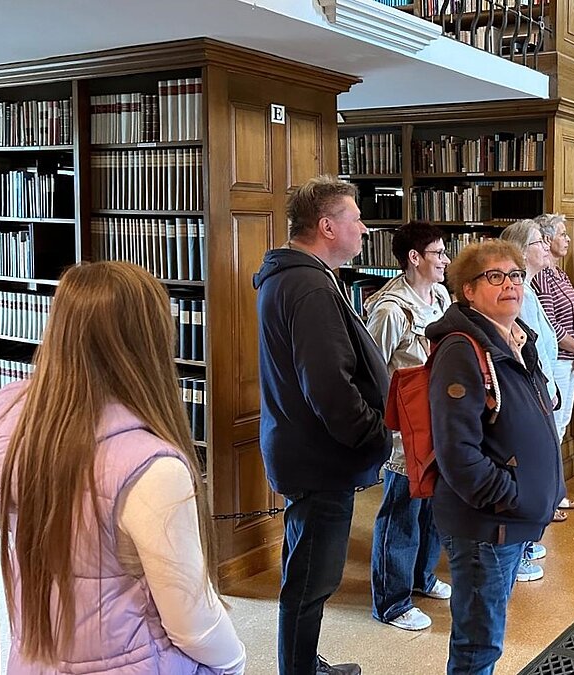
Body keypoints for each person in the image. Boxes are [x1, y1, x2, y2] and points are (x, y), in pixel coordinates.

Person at [0, 261, 246, 673]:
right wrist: (236, 661)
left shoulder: (15, 417)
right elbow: (193, 623)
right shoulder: (152, 469)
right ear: (150, 339)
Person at [254, 175, 391, 675]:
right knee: (311, 581)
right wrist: (376, 436)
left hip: (309, 451)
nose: (364, 229)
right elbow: (328, 388)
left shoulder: (298, 276)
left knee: (306, 572)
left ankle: (304, 663)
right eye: (356, 220)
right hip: (320, 458)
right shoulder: (307, 285)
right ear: (328, 226)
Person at [426, 239, 564, 675]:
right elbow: (457, 452)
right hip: (487, 524)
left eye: (517, 276)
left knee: (488, 634)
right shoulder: (461, 350)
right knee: (478, 644)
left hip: (510, 519)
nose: (511, 285)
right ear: (468, 290)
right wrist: (512, 497)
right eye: (496, 276)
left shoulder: (517, 338)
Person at [362, 222, 453, 632]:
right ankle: (391, 600)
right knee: (401, 513)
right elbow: (372, 373)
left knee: (432, 508)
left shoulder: (442, 296)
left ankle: (422, 576)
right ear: (414, 257)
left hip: (438, 422)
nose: (446, 261)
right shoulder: (389, 309)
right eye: (438, 253)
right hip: (403, 432)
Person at [501, 220, 562, 583]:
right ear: (523, 251)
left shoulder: (531, 289)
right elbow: (524, 348)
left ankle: (525, 543)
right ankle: (520, 551)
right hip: (530, 393)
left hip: (541, 387)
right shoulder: (519, 294)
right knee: (527, 472)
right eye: (541, 242)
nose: (548, 246)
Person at [531, 213, 574, 512]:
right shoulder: (540, 276)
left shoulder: (559, 273)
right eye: (562, 234)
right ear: (546, 239)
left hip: (573, 358)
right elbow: (551, 326)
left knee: (561, 426)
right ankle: (548, 496)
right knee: (552, 428)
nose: (567, 239)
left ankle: (553, 490)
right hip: (560, 362)